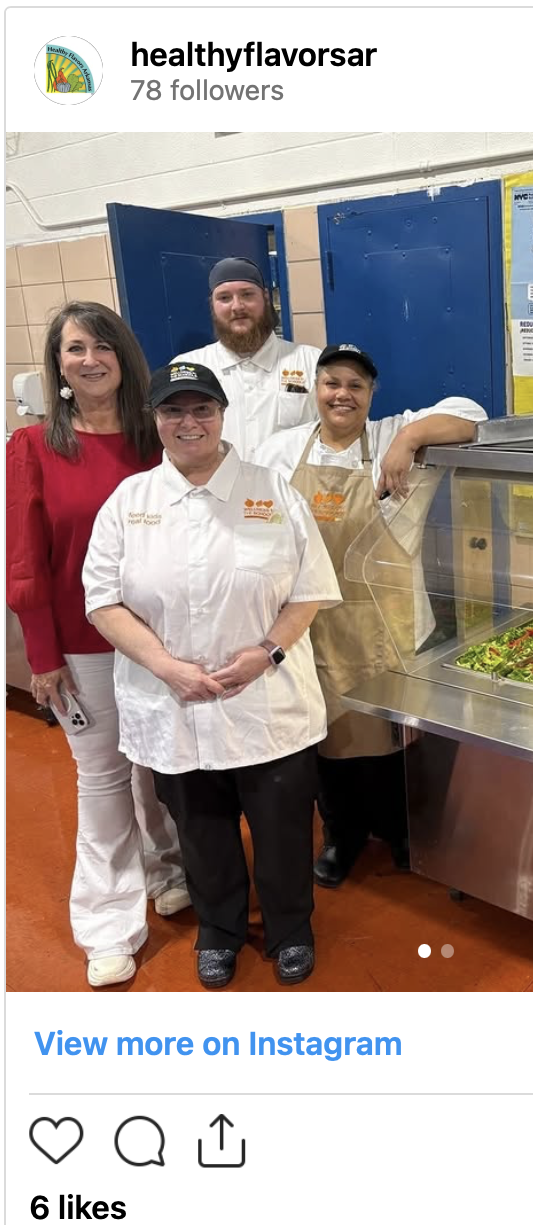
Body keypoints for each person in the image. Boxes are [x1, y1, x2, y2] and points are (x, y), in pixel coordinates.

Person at [83, 362, 342, 991]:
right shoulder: (130, 502)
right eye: (173, 410)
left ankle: (290, 929)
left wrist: (267, 652)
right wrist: (165, 666)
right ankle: (220, 930)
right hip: (172, 703)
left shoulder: (272, 491)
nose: (188, 422)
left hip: (268, 702)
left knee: (282, 829)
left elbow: (309, 589)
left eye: (202, 409)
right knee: (200, 830)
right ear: (156, 419)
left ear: (223, 416)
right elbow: (102, 600)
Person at [6, 301, 191, 989]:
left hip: (157, 643)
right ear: (57, 364)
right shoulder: (32, 448)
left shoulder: (155, 438)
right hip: (82, 647)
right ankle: (108, 924)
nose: (90, 360)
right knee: (105, 778)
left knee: (157, 765)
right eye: (75, 348)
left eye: (102, 346)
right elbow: (24, 562)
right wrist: (42, 655)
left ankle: (166, 870)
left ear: (124, 356)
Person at [253, 343, 487, 888]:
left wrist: (408, 440)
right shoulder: (280, 450)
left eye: (355, 386)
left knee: (393, 740)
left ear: (372, 393)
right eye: (332, 383)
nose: (343, 395)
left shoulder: (388, 434)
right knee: (326, 738)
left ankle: (401, 833)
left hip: (388, 619)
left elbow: (473, 416)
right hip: (312, 622)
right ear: (316, 389)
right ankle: (342, 836)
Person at [172, 257, 320, 459]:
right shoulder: (188, 368)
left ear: (265, 298)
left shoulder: (311, 363)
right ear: (212, 305)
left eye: (247, 294)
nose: (237, 306)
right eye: (224, 298)